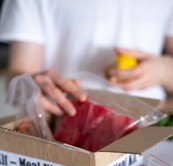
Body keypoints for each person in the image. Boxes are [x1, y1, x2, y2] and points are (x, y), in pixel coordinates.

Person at [0, 0, 173, 117]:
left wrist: (165, 70)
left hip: (151, 128)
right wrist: (32, 86)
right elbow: (18, 77)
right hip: (66, 125)